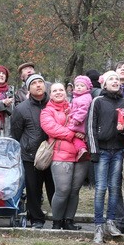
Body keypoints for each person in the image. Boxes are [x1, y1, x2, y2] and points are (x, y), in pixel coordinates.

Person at [86, 71, 124, 243]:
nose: (115, 81)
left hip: (118, 151)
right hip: (102, 151)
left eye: (117, 79)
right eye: (111, 79)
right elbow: (90, 127)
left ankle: (111, 221)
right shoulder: (97, 101)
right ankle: (98, 225)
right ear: (104, 84)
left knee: (114, 187)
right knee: (101, 189)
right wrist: (94, 151)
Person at [40, 83, 90, 231]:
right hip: (60, 155)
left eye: (61, 90)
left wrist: (84, 133)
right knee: (62, 190)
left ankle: (69, 220)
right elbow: (52, 129)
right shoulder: (47, 112)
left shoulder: (75, 106)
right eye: (54, 90)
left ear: (66, 92)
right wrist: (74, 134)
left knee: (74, 190)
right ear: (50, 93)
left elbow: (86, 122)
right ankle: (57, 221)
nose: (58, 92)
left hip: (81, 155)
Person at [11, 74, 55, 228]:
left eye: (40, 82)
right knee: (33, 188)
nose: (38, 85)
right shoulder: (21, 108)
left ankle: (58, 218)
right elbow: (16, 133)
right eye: (34, 83)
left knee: (54, 188)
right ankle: (36, 219)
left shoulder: (54, 104)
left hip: (54, 153)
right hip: (31, 155)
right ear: (28, 88)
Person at [67, 75, 93, 161]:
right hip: (78, 123)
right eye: (77, 86)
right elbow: (75, 106)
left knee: (73, 135)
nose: (79, 88)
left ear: (87, 88)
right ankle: (82, 149)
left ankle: (81, 149)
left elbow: (83, 110)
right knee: (76, 136)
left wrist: (76, 119)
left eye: (82, 86)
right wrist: (69, 108)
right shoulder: (78, 97)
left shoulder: (85, 97)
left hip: (80, 124)